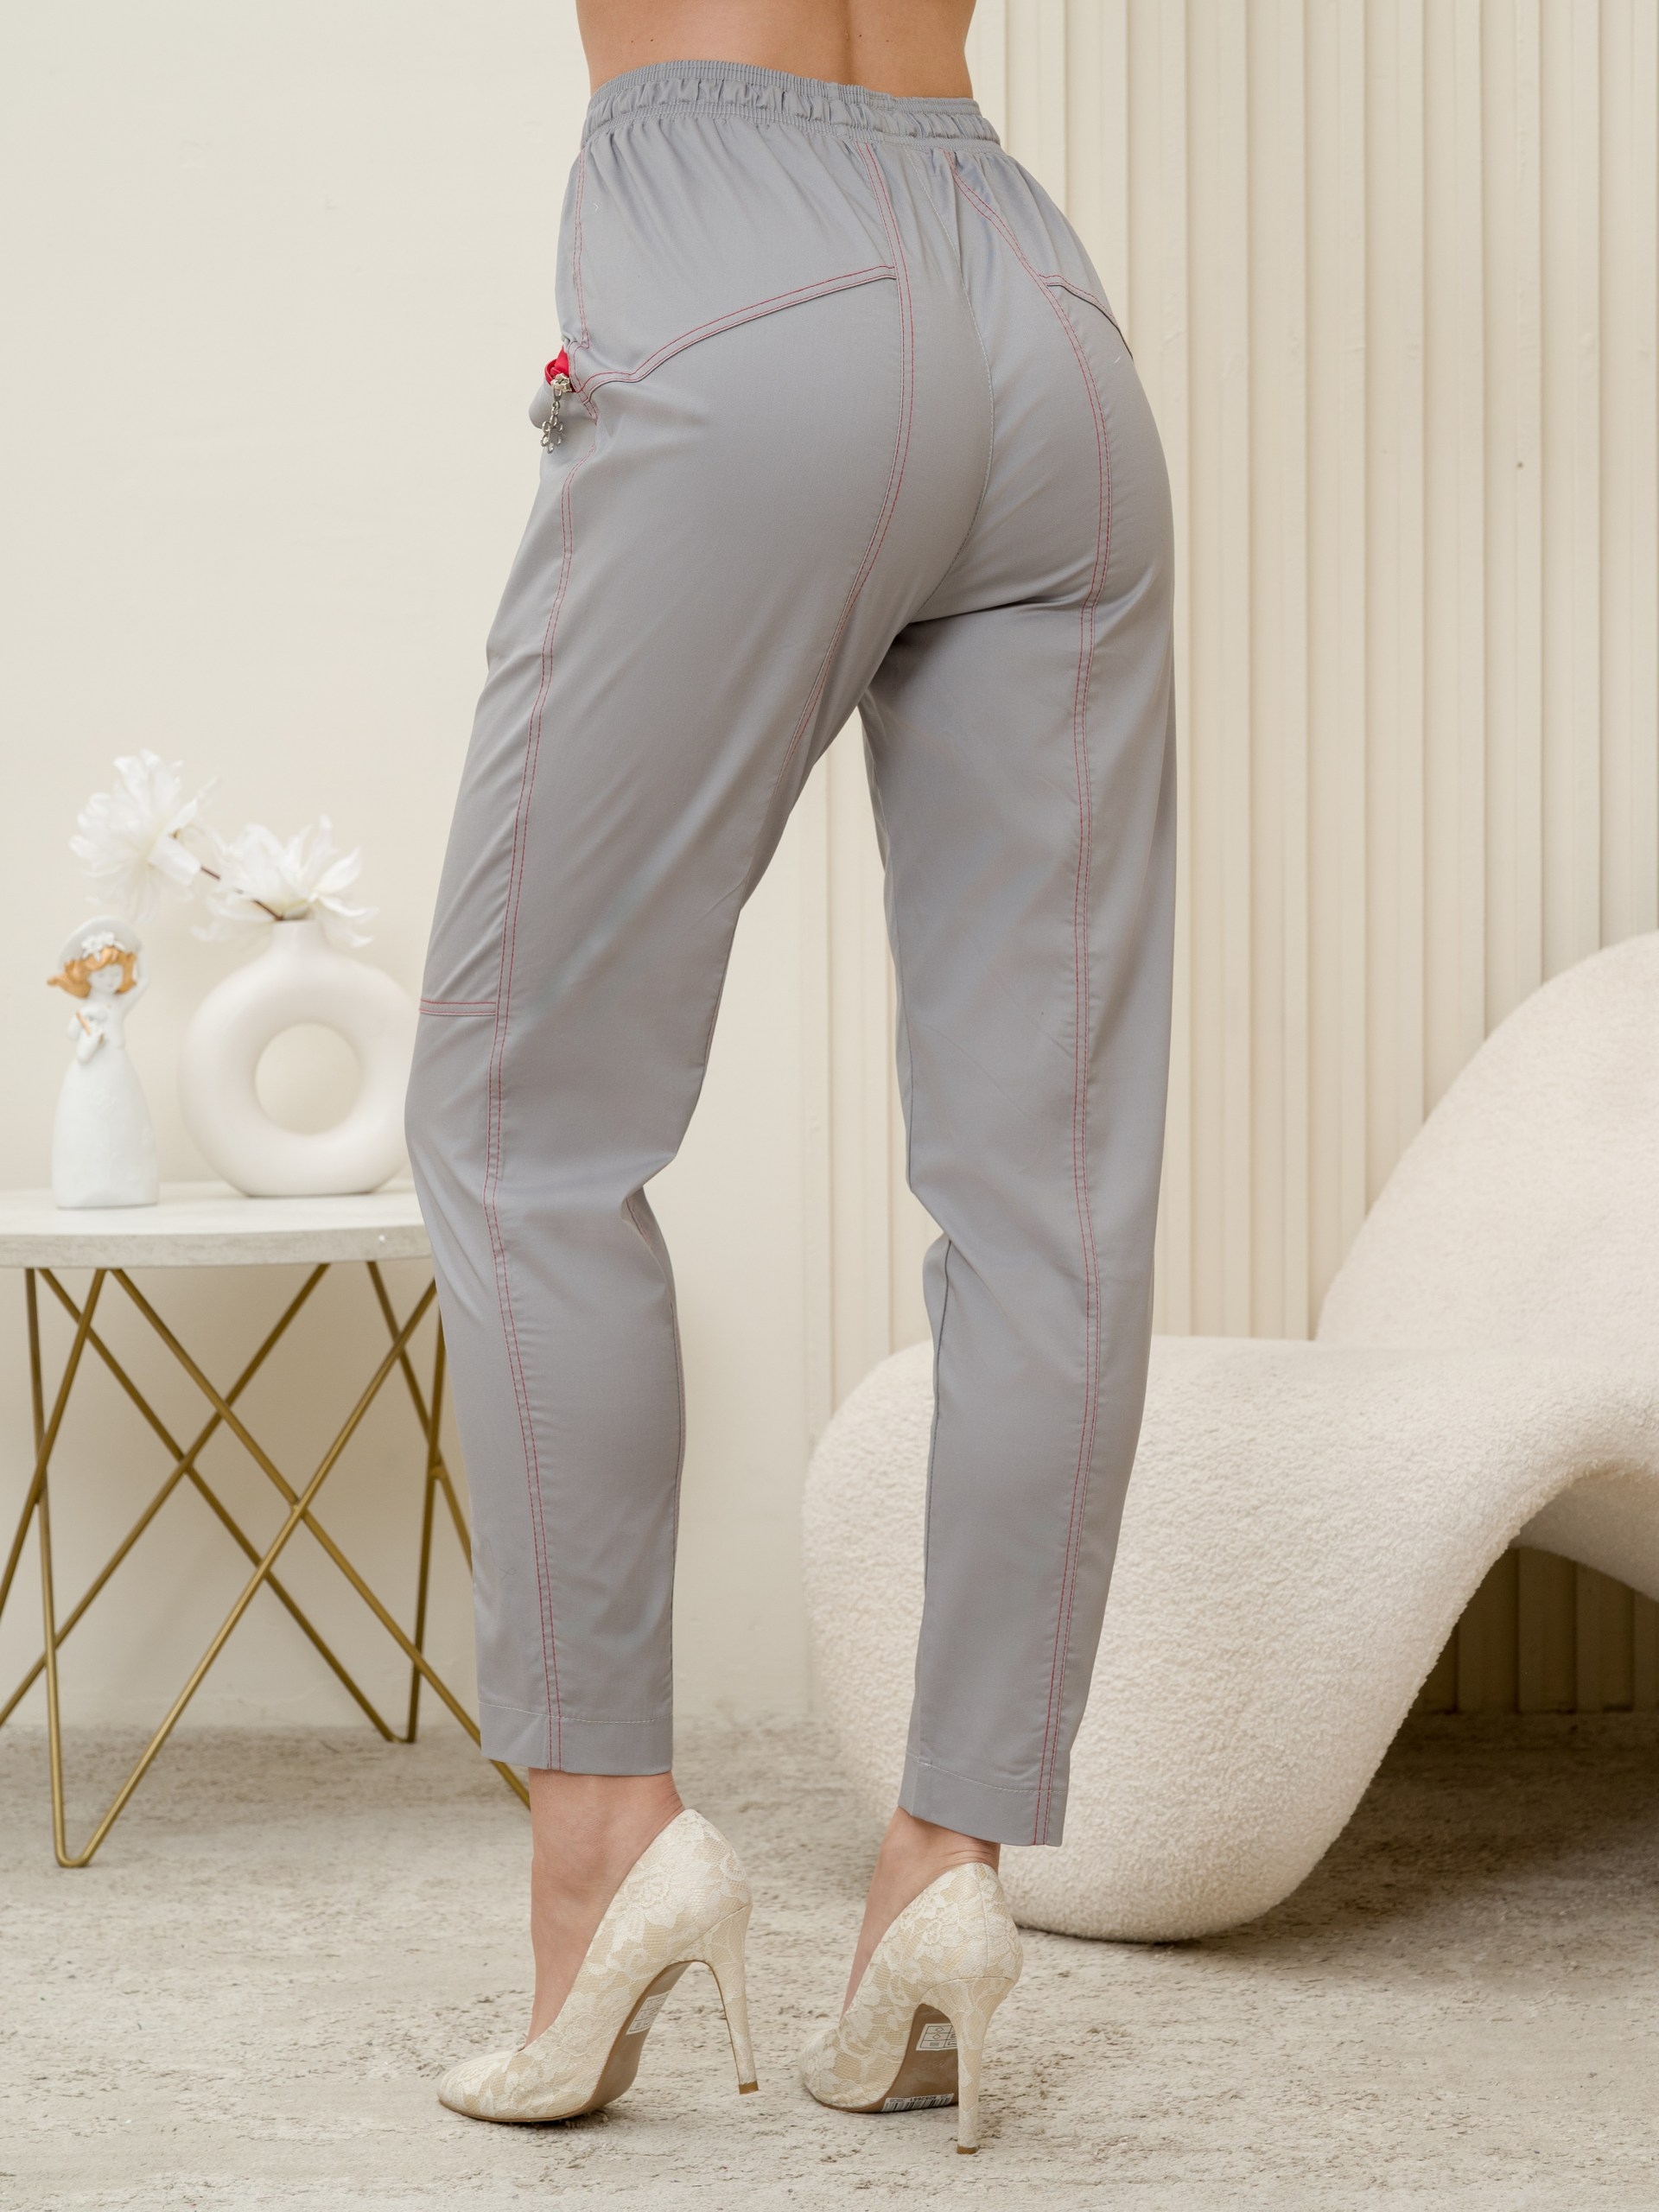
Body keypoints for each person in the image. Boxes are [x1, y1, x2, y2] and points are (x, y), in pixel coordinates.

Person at [405, 0, 1175, 2156]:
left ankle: (604, 1843)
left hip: (740, 284)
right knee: (1053, 1180)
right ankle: (948, 1867)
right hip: (1039, 308)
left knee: (520, 1118)